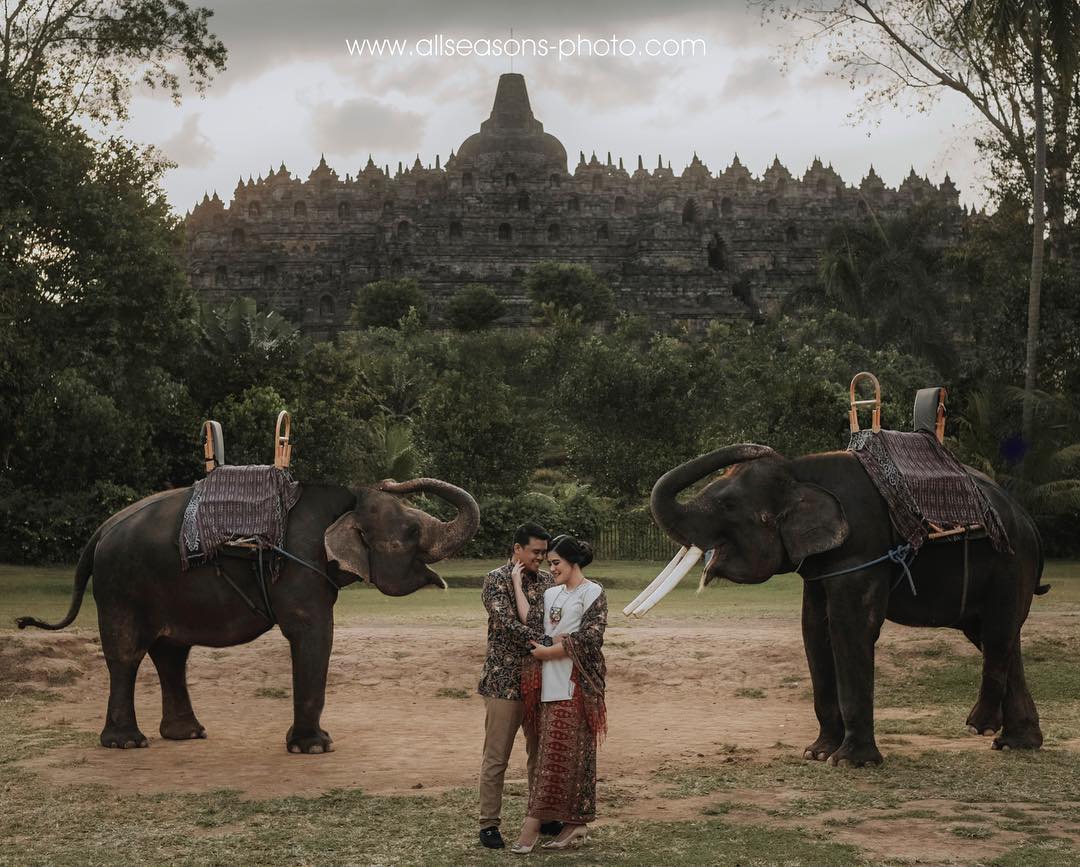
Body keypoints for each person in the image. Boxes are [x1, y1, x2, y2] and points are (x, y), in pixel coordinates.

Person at [511, 534, 607, 854]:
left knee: (562, 758)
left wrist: (553, 651)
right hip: (547, 687)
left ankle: (533, 824)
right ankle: (574, 823)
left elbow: (591, 637)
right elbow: (533, 621)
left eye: (556, 563)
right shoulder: (551, 593)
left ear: (573, 563)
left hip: (576, 687)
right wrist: (515, 582)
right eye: (550, 563)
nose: (551, 568)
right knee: (559, 758)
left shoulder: (593, 592)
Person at [476, 522, 561, 850]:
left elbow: (550, 619)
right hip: (504, 681)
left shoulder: (548, 581)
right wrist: (545, 640)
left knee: (539, 754)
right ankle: (489, 823)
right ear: (517, 549)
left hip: (541, 679)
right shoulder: (495, 579)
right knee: (497, 755)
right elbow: (505, 623)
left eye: (544, 552)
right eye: (536, 552)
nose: (541, 558)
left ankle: (540, 815)